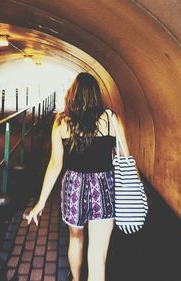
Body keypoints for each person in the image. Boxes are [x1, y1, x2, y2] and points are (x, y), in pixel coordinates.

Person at [25, 72, 130, 281]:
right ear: (96, 95)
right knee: (97, 255)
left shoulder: (62, 123)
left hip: (74, 186)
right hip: (103, 187)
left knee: (76, 238)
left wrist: (41, 202)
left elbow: (56, 164)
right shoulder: (111, 118)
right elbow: (125, 157)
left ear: (73, 95)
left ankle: (75, 278)